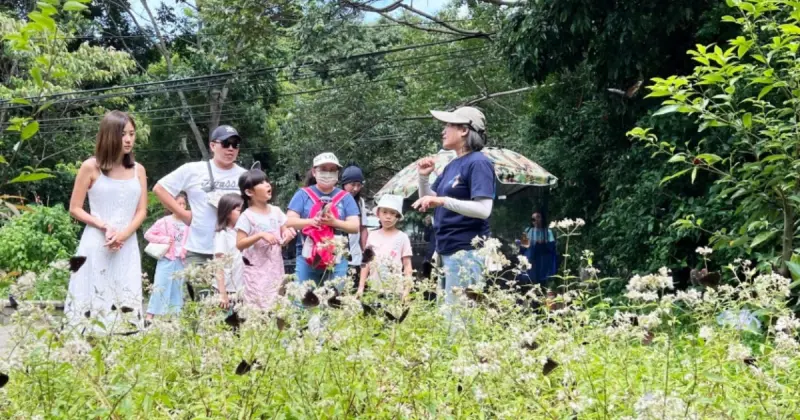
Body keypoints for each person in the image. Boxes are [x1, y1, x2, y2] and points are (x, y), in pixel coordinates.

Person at [65, 110, 148, 332]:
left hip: (127, 245)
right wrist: (103, 225)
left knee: (126, 299)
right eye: (123, 134)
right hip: (96, 242)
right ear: (109, 135)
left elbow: (142, 211)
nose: (128, 139)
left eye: (132, 134)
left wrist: (123, 235)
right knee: (92, 299)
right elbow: (75, 208)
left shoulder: (138, 170)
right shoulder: (90, 167)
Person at [412, 106, 496, 305]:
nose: (443, 131)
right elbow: (429, 200)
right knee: (447, 316)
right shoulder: (452, 165)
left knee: (460, 318)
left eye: (449, 125)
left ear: (464, 130)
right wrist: (423, 178)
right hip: (445, 250)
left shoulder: (479, 163)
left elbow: (484, 210)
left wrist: (443, 200)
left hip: (467, 251)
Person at [153, 125, 247, 271]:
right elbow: (160, 189)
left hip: (233, 250)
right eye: (225, 143)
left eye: (235, 145)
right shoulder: (193, 169)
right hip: (199, 251)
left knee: (235, 287)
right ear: (212, 146)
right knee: (198, 286)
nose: (231, 149)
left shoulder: (245, 175)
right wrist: (183, 214)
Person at [286, 152, 360, 288]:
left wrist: (334, 223)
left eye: (332, 170)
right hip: (307, 256)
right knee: (303, 297)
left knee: (334, 298)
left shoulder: (346, 197)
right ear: (314, 172)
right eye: (324, 169)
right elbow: (289, 221)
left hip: (337, 257)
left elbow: (355, 226)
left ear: (337, 173)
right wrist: (311, 221)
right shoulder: (302, 194)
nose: (328, 173)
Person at [236, 169, 297, 309]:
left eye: (267, 181)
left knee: (277, 305)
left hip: (276, 268)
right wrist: (260, 235)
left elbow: (284, 229)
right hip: (256, 271)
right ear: (249, 192)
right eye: (261, 183)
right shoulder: (247, 216)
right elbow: (239, 244)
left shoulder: (276, 211)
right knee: (258, 307)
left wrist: (287, 234)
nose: (267, 185)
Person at [143, 192, 191, 320]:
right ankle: (149, 316)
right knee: (160, 285)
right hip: (167, 258)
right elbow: (148, 234)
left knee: (178, 289)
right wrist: (164, 239)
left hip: (181, 259)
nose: (181, 206)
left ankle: (174, 318)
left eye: (184, 204)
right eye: (178, 203)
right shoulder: (164, 221)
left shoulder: (188, 222)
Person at [357, 194, 412, 299]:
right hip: (374, 288)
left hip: (395, 290)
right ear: (378, 213)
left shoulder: (402, 237)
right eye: (385, 212)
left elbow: (407, 265)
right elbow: (366, 262)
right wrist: (361, 287)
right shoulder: (372, 235)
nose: (388, 216)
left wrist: (407, 290)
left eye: (393, 213)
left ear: (398, 216)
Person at [214, 194, 245, 309]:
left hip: (242, 287)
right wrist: (222, 293)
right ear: (227, 213)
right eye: (239, 211)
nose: (243, 214)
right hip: (228, 289)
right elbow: (218, 264)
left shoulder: (242, 232)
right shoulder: (223, 235)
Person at [340, 165, 369, 286]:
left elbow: (363, 228)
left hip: (355, 256)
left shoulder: (360, 202)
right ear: (344, 183)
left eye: (359, 185)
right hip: (338, 255)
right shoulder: (336, 200)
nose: (356, 188)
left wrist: (365, 251)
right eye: (352, 184)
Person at [521, 211, 557, 286]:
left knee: (542, 281)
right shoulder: (527, 230)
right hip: (531, 258)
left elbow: (552, 246)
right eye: (533, 218)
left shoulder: (548, 231)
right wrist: (528, 243)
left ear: (542, 219)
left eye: (538, 217)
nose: (536, 220)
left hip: (543, 259)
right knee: (530, 280)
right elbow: (523, 245)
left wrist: (543, 243)